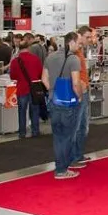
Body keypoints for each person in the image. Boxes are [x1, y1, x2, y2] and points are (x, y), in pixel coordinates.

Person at [42, 32, 83, 180]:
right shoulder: (74, 59)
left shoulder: (50, 57)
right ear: (71, 42)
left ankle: (60, 167)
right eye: (79, 43)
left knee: (58, 136)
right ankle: (62, 169)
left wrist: (53, 91)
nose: (80, 46)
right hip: (68, 103)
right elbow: (76, 83)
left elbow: (44, 79)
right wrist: (79, 96)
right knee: (67, 136)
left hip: (54, 101)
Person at [9, 38, 44, 139]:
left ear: (19, 48)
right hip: (34, 89)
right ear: (29, 47)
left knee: (22, 111)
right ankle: (35, 131)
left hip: (21, 89)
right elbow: (40, 73)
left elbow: (12, 76)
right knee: (35, 111)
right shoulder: (35, 59)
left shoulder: (15, 61)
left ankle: (22, 133)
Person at [72, 26, 96, 166]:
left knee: (83, 125)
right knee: (77, 125)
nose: (90, 40)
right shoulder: (74, 52)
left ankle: (79, 154)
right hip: (80, 92)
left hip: (84, 90)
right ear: (79, 36)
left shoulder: (80, 51)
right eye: (87, 37)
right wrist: (80, 91)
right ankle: (73, 157)